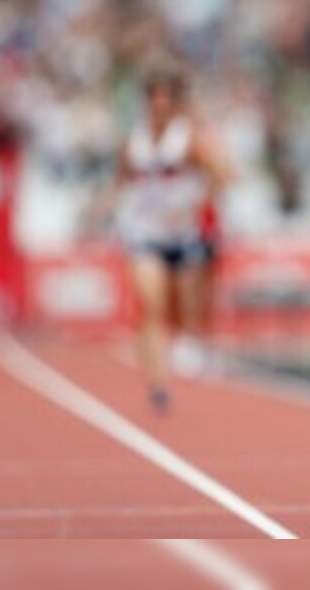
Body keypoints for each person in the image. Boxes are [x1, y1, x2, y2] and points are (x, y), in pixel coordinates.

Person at [111, 58, 232, 412]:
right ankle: (158, 385)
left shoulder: (189, 140)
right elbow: (121, 181)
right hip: (145, 233)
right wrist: (102, 208)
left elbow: (225, 174)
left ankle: (190, 344)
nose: (159, 105)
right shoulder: (133, 141)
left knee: (183, 315)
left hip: (184, 236)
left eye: (166, 98)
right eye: (153, 98)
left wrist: (202, 201)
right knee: (150, 306)